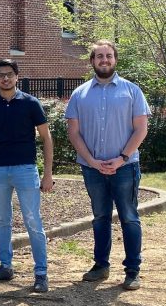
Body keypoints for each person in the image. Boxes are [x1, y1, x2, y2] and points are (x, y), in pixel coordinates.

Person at [65, 40, 151, 290]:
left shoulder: (132, 91)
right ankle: (101, 265)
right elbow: (73, 132)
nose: (104, 60)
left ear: (115, 59)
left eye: (109, 56)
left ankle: (132, 270)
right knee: (100, 217)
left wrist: (122, 158)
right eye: (99, 56)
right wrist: (92, 161)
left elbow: (141, 129)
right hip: (92, 169)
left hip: (125, 167)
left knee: (129, 217)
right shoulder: (79, 94)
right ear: (92, 61)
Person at [0, 59, 54, 292]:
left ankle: (41, 273)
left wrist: (48, 173)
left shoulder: (31, 103)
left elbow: (46, 138)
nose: (5, 78)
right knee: (2, 220)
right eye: (1, 75)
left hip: (26, 170)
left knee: (32, 220)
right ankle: (5, 266)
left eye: (10, 74)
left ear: (17, 76)